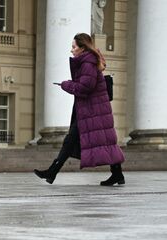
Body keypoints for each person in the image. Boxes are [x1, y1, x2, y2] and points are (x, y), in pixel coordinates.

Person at [34, 33, 125, 186]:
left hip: (92, 111)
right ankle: (117, 174)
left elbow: (85, 87)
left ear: (82, 48)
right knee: (103, 141)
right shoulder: (89, 61)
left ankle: (52, 172)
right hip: (92, 110)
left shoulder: (87, 63)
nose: (72, 50)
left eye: (74, 47)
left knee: (73, 140)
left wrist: (66, 84)